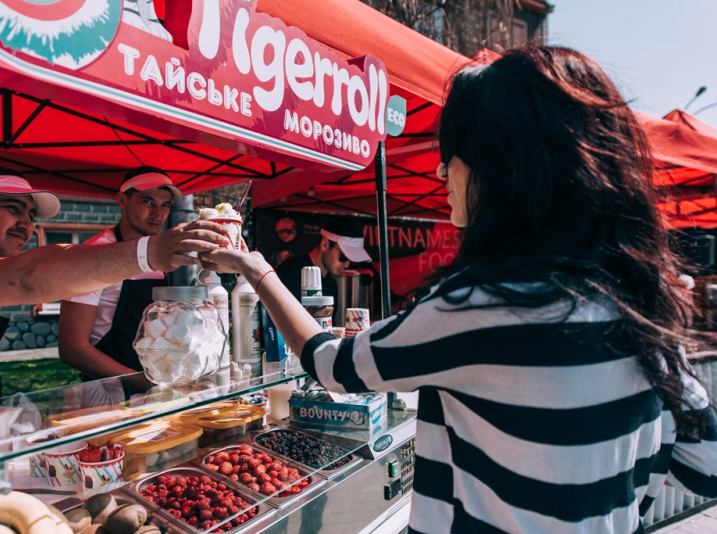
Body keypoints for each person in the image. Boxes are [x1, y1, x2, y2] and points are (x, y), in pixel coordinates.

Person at [202, 46, 717, 533]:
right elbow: (705, 468)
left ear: (502, 170)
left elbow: (331, 366)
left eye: (452, 155)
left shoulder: (480, 307)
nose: (440, 171)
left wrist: (256, 269)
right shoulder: (642, 307)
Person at [0, 164, 230, 412]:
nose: (26, 225)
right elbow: (26, 278)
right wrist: (148, 253)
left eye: (30, 215)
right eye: (13, 208)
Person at [58, 167, 181, 388]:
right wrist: (144, 382)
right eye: (148, 202)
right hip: (106, 391)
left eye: (165, 205)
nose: (157, 215)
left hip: (155, 385)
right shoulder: (94, 255)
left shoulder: (159, 258)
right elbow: (72, 349)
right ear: (122, 200)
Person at [275, 217, 371, 299]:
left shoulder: (331, 285)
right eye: (344, 256)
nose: (347, 264)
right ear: (325, 244)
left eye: (351, 258)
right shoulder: (291, 271)